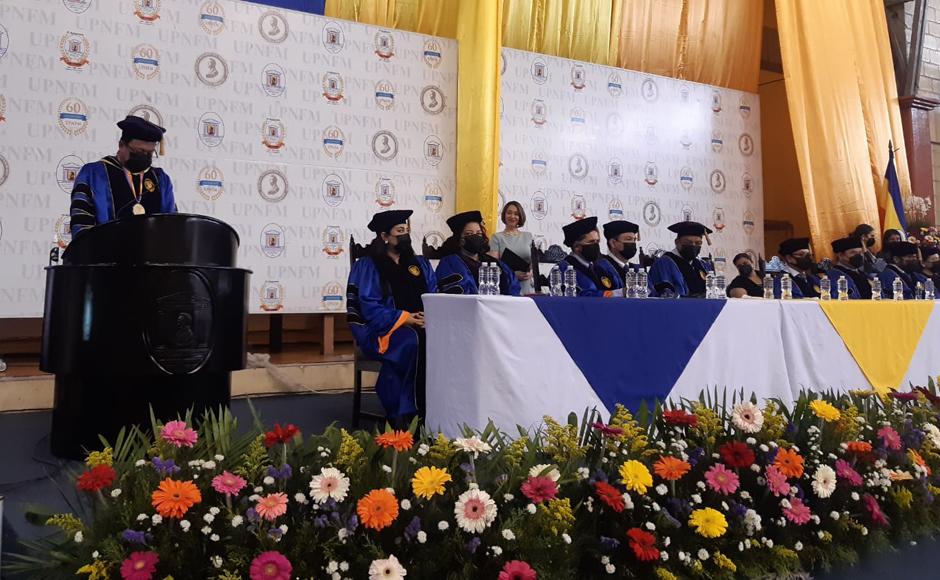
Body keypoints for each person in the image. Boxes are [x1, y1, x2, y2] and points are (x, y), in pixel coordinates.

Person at [346, 210, 437, 424]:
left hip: (422, 324)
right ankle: (404, 412)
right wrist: (406, 318)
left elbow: (434, 294)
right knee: (410, 342)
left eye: (406, 230)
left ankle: (433, 409)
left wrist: (430, 315)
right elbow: (368, 307)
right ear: (384, 236)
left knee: (440, 341)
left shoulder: (419, 264)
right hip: (380, 330)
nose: (405, 235)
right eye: (399, 231)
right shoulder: (369, 265)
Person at [69, 115, 175, 237]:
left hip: (151, 254)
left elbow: (170, 225)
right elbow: (82, 224)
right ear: (121, 145)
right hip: (106, 253)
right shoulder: (94, 174)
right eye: (139, 152)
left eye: (149, 153)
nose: (144, 157)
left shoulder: (160, 180)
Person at [436, 210, 521, 296]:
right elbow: (453, 295)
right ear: (459, 238)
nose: (475, 236)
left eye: (479, 233)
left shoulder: (493, 262)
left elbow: (513, 287)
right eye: (469, 233)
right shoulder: (450, 263)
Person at [559, 216, 622, 297]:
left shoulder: (601, 267)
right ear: (577, 247)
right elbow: (579, 295)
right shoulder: (564, 269)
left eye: (597, 241)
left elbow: (617, 287)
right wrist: (615, 294)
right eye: (591, 242)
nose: (596, 246)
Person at [648, 221, 713, 298]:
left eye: (698, 243)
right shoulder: (664, 263)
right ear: (677, 242)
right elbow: (666, 295)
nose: (693, 246)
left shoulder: (701, 264)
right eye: (688, 242)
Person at [489, 201, 535, 294]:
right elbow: (494, 267)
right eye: (509, 213)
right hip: (508, 285)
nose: (512, 216)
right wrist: (512, 275)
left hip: (527, 287)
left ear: (520, 216)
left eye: (516, 214)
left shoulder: (528, 236)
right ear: (504, 215)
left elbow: (533, 263)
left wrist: (531, 273)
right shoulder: (497, 237)